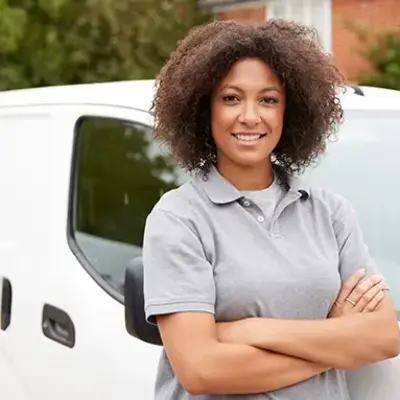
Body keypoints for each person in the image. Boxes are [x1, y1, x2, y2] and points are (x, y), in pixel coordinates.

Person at [142, 19, 400, 400]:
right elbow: (201, 370)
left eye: (268, 99)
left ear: (289, 111)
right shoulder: (179, 218)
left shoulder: (330, 214)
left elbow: (384, 336)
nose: (250, 116)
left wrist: (251, 331)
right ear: (204, 109)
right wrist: (336, 342)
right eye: (231, 98)